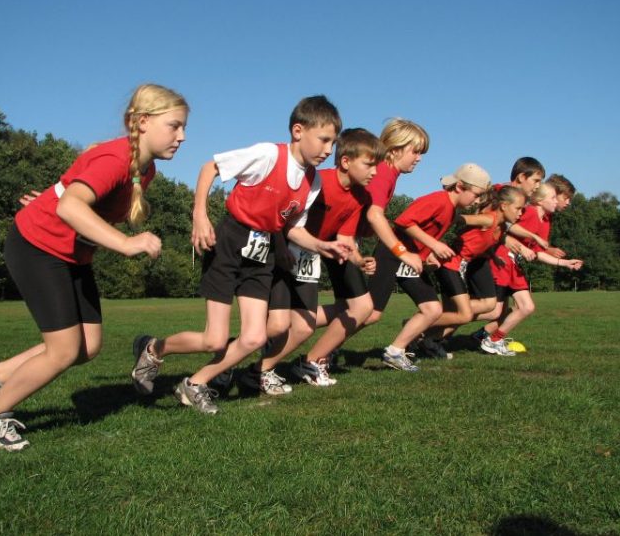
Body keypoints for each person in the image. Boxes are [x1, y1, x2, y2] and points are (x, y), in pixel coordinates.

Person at [0, 84, 189, 451]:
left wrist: (53, 196)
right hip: (38, 248)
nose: (182, 137)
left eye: (184, 128)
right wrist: (126, 243)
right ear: (144, 122)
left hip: (71, 255)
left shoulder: (144, 170)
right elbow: (70, 207)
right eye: (175, 126)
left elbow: (73, 195)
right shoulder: (116, 158)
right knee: (63, 350)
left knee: (87, 347)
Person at [130, 95, 348, 414]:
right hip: (230, 241)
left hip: (262, 252)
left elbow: (292, 228)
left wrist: (322, 245)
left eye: (333, 143)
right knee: (214, 340)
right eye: (324, 140)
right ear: (298, 131)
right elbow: (211, 168)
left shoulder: (312, 182)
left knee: (254, 337)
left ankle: (195, 384)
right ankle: (152, 349)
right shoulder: (267, 155)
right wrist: (200, 215)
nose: (329, 150)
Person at [234, 128, 384, 392]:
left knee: (305, 326)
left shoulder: (363, 196)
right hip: (284, 247)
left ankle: (266, 368)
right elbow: (283, 215)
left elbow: (345, 237)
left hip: (312, 254)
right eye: (369, 165)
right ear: (346, 161)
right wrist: (281, 247)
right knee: (278, 325)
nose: (374, 172)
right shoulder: (318, 181)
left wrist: (359, 260)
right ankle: (232, 358)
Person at [300, 118, 430, 381]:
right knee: (362, 309)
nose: (418, 158)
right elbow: (374, 215)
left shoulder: (385, 174)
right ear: (395, 149)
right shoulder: (383, 172)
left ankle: (305, 345)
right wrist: (401, 251)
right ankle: (310, 355)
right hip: (330, 241)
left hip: (343, 241)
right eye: (415, 151)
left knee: (355, 309)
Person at [364, 163, 492, 371]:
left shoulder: (451, 211)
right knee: (370, 314)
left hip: (411, 261)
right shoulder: (439, 201)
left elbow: (422, 235)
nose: (477, 201)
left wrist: (428, 256)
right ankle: (327, 352)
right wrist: (434, 244)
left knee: (432, 309)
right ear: (459, 186)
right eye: (476, 195)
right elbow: (404, 221)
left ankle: (395, 351)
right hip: (391, 254)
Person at [418, 185, 532, 357]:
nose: (520, 213)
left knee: (464, 313)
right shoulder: (488, 219)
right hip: (449, 265)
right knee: (464, 313)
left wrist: (493, 256)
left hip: (457, 268)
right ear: (503, 206)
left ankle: (426, 340)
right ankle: (419, 322)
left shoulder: (500, 227)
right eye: (518, 209)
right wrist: (433, 243)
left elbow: (479, 243)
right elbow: (458, 219)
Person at [478, 181, 583, 354]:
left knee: (526, 307)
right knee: (493, 311)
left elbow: (538, 253)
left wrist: (565, 263)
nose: (557, 201)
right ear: (540, 201)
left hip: (514, 266)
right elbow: (507, 226)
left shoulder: (546, 221)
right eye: (553, 198)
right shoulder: (529, 212)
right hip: (503, 261)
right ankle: (455, 317)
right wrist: (523, 245)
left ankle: (493, 339)